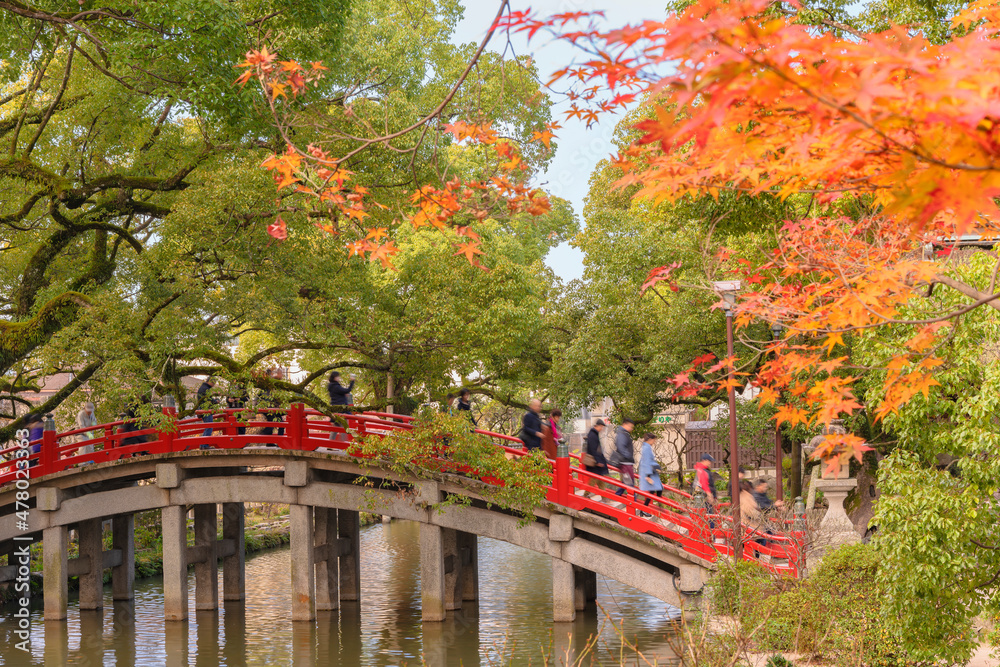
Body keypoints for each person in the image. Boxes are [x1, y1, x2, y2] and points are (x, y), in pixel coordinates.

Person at [637, 432, 663, 517]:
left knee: (655, 490)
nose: (654, 442)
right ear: (650, 439)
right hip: (649, 472)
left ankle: (645, 509)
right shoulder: (646, 448)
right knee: (657, 489)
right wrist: (648, 476)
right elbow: (647, 462)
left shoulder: (646, 447)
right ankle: (658, 507)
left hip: (651, 471)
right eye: (654, 440)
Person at [612, 418, 636, 496]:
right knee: (629, 483)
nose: (631, 428)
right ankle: (633, 502)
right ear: (624, 424)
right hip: (625, 462)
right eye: (630, 426)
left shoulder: (624, 433)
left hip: (626, 462)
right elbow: (621, 447)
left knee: (626, 482)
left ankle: (617, 496)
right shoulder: (622, 434)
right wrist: (629, 457)